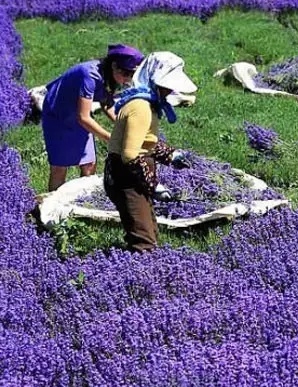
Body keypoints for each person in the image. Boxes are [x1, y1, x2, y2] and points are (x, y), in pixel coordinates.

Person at [104, 51, 197, 253]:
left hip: (132, 177)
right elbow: (130, 154)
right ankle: (140, 279)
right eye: (166, 85)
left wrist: (171, 155)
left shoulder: (145, 102)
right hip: (124, 178)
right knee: (144, 241)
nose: (169, 90)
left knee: (149, 229)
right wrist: (154, 185)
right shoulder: (141, 107)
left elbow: (145, 142)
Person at [42, 44, 144, 191]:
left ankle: (83, 202)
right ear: (114, 66)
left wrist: (124, 125)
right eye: (126, 74)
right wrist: (111, 138)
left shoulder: (110, 76)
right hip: (58, 113)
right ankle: (51, 207)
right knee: (60, 167)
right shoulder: (89, 75)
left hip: (78, 112)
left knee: (89, 164)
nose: (128, 80)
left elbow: (107, 104)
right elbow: (83, 118)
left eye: (132, 75)